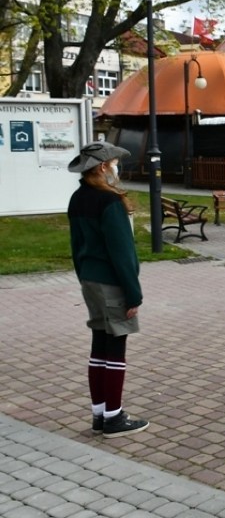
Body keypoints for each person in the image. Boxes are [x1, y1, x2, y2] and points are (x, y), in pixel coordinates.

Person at [66, 141, 149, 439]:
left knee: (99, 344)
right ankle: (114, 417)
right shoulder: (109, 202)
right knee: (116, 347)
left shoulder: (77, 199)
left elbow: (76, 247)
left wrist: (84, 276)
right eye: (113, 162)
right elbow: (122, 252)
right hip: (112, 281)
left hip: (90, 279)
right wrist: (133, 292)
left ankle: (100, 413)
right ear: (102, 167)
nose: (115, 167)